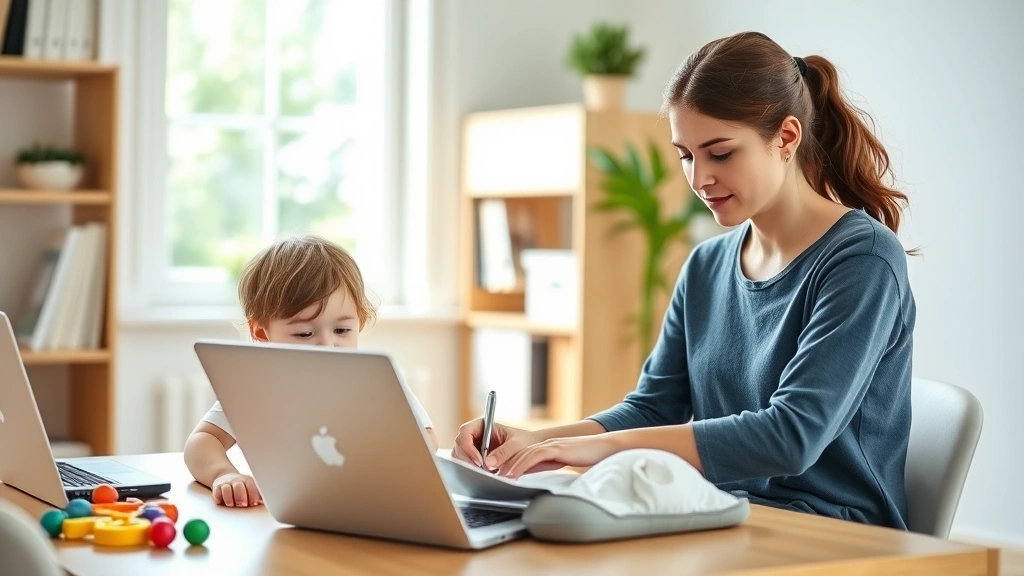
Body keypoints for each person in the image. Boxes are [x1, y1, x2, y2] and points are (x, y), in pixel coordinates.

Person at [452, 31, 916, 530]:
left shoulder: (861, 258)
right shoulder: (706, 266)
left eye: (720, 153)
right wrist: (539, 442)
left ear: (786, 137)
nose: (698, 179)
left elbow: (792, 437)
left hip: (832, 530)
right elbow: (653, 408)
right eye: (686, 155)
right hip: (721, 512)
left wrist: (596, 448)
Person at [184, 234, 438, 507]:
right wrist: (225, 474)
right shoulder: (259, 385)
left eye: (342, 330)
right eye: (305, 333)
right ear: (261, 332)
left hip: (371, 505)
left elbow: (427, 439)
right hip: (291, 515)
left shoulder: (376, 379)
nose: (328, 345)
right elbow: (201, 441)